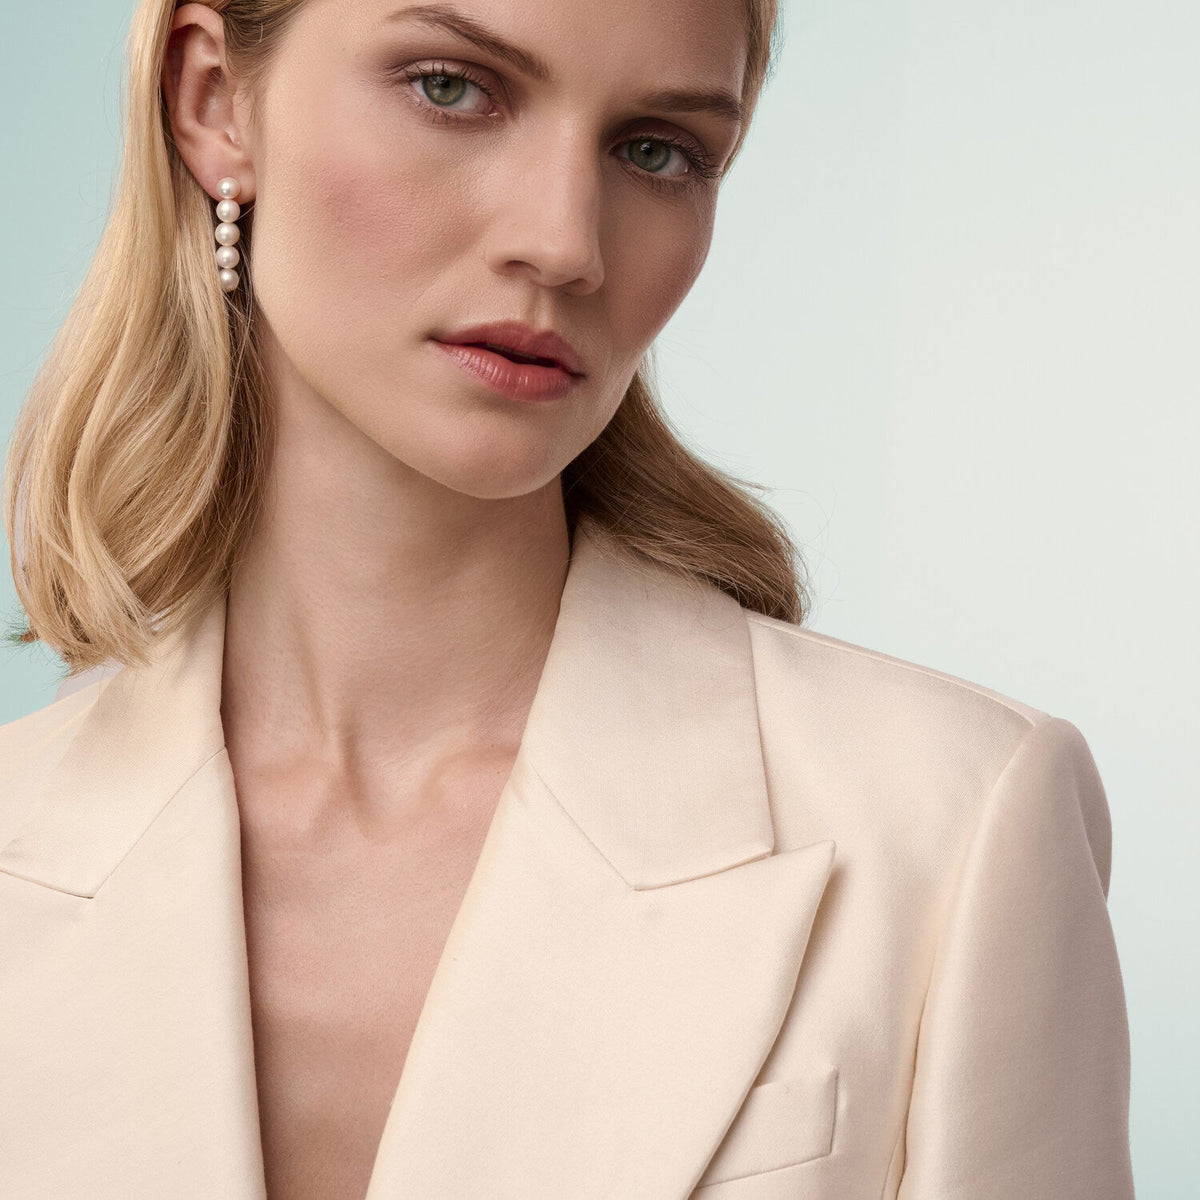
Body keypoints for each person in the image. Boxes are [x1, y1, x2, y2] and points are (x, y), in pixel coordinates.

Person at [0, 0, 1135, 1197]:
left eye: (658, 150)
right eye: (451, 88)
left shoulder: (951, 828)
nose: (563, 243)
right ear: (214, 101)